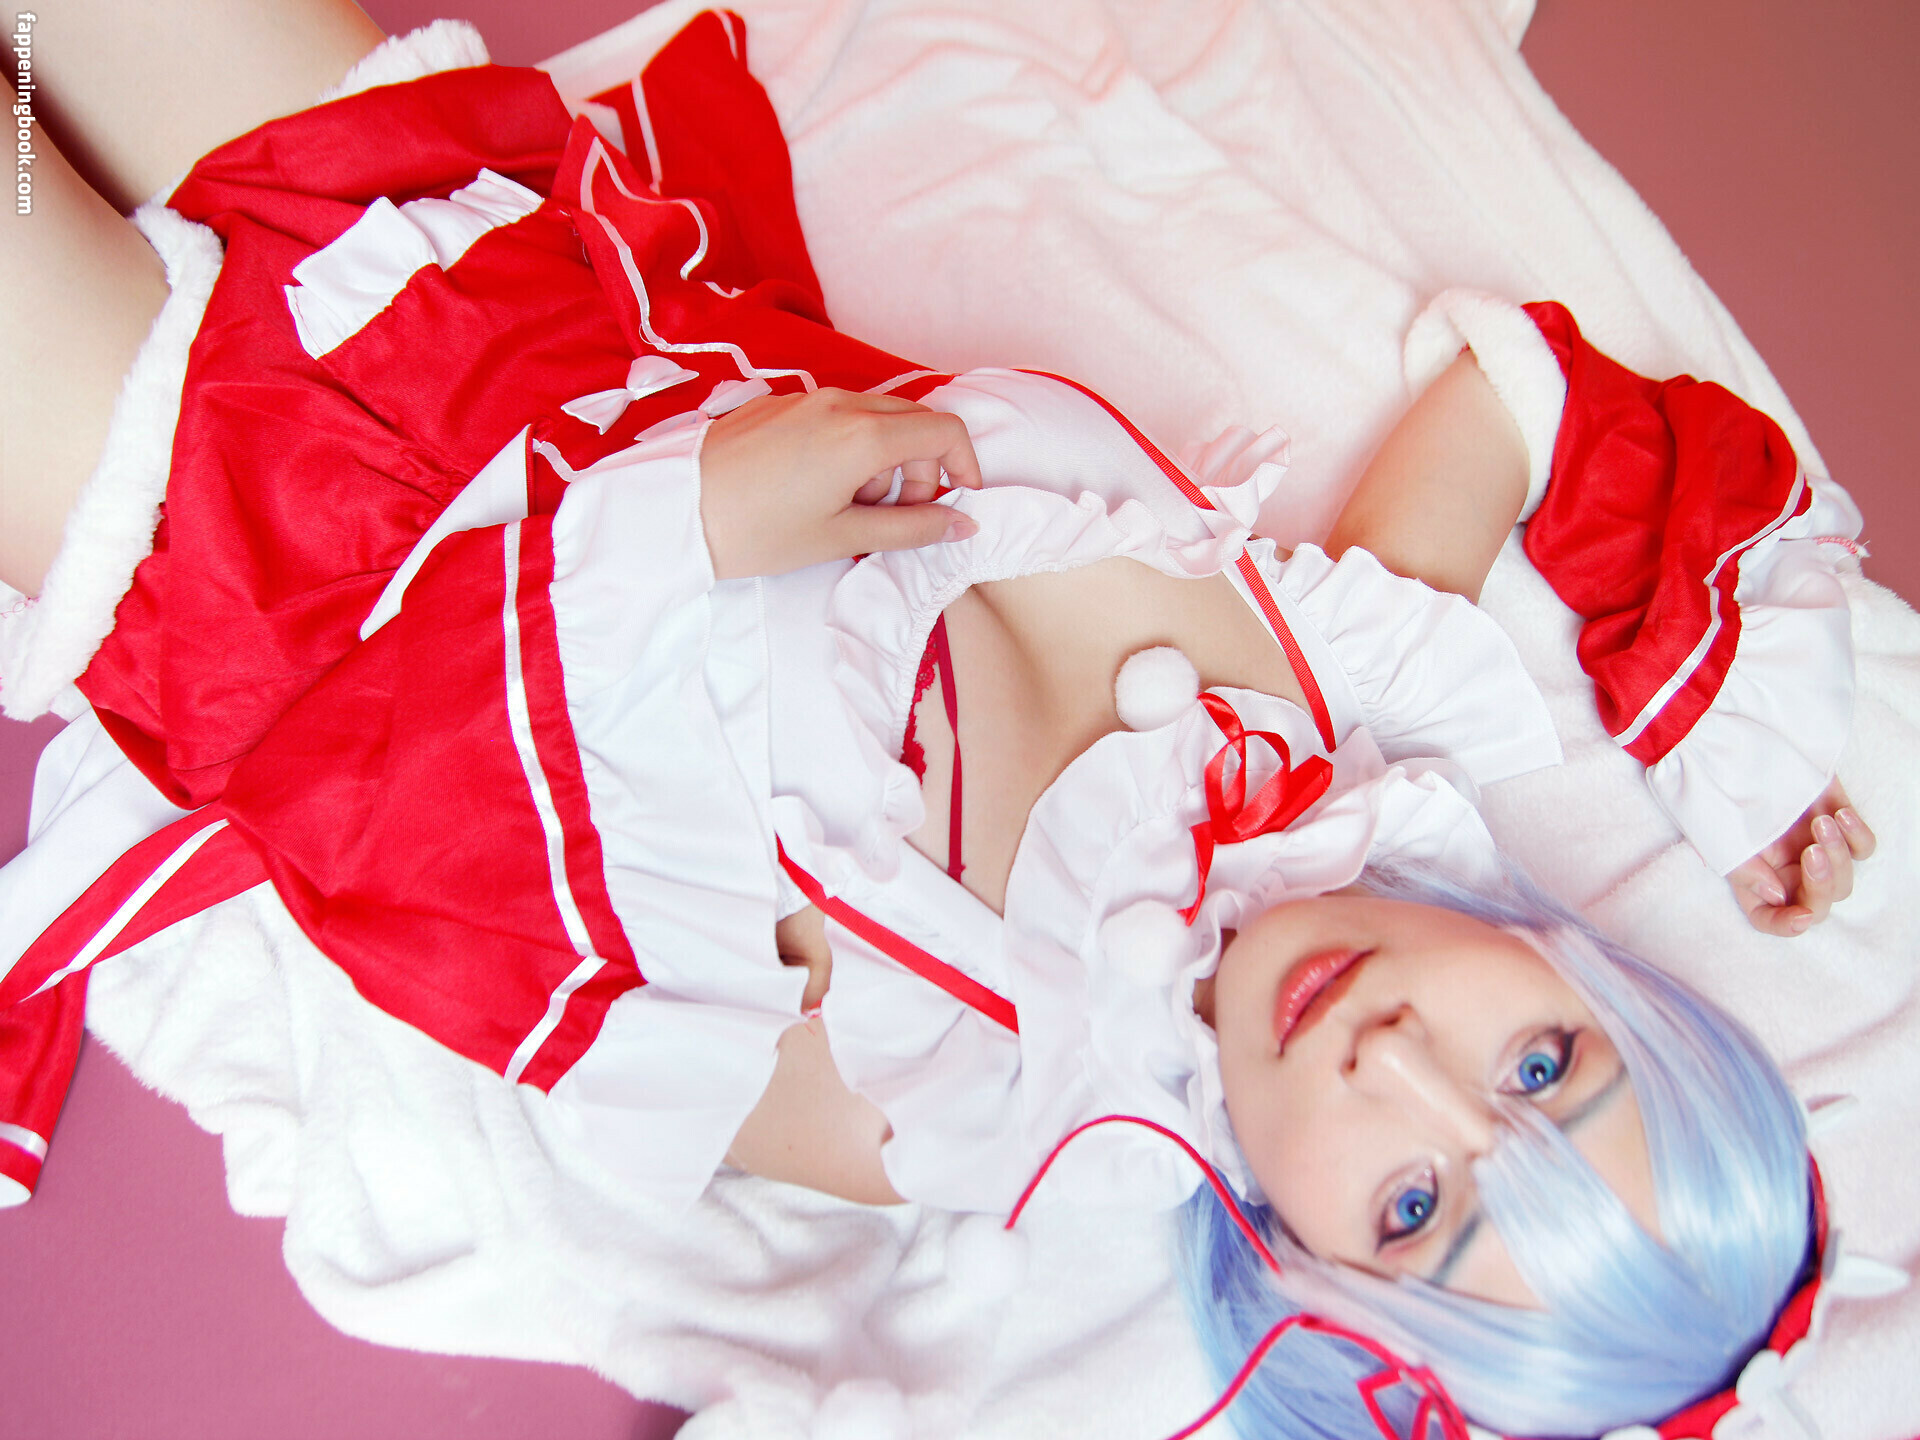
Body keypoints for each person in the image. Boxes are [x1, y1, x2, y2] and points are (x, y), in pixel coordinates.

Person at [0, 4, 1878, 1438]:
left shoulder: (957, 1100)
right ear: (1589, 980)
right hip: (468, 270)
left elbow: (433, 865)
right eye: (1542, 1068)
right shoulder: (1358, 692)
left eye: (1410, 1205)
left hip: (252, 550)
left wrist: (698, 524)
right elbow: (1525, 397)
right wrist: (1735, 723)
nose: (1400, 1057)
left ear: (1312, 1277)